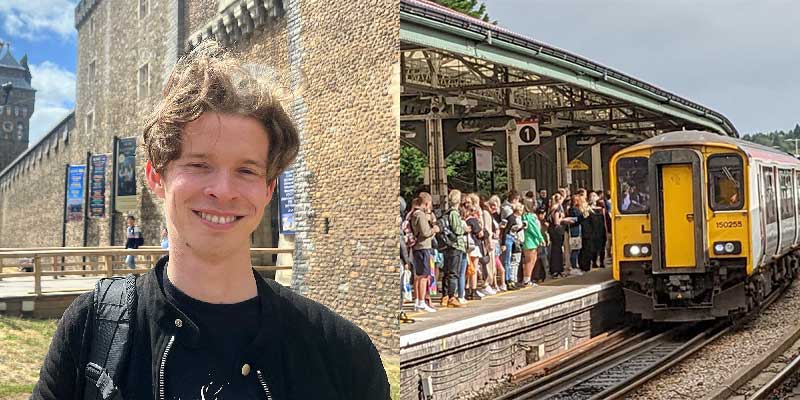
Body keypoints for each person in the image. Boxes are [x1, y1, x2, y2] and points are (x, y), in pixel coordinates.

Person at [32, 41, 389, 399]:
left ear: (268, 189)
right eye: (199, 165)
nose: (223, 190)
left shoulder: (343, 354)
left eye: (246, 170)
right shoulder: (92, 328)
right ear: (156, 177)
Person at [410, 193, 439, 313]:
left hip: (418, 248)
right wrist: (434, 229)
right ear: (426, 203)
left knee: (418, 275)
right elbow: (425, 232)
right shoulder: (420, 215)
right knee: (424, 276)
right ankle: (422, 301)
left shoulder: (413, 213)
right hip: (423, 247)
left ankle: (417, 301)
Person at [441, 190, 466, 307]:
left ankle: (445, 296)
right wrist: (464, 228)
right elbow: (457, 229)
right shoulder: (454, 214)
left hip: (448, 245)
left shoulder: (446, 212)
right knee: (453, 272)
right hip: (456, 245)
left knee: (446, 271)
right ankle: (452, 297)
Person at [520, 205, 545, 286]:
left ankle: (527, 279)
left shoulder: (523, 217)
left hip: (528, 240)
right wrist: (541, 238)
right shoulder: (528, 217)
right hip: (530, 241)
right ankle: (527, 280)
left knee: (530, 260)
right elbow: (534, 229)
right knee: (530, 261)